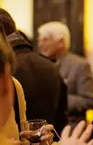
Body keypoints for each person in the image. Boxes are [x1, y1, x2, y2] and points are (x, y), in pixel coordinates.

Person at [0, 8, 68, 137]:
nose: (41, 43)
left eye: (45, 39)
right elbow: (62, 120)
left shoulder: (13, 82)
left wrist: (28, 143)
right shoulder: (50, 67)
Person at [37, 21, 93, 128]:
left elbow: (89, 100)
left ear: (60, 42)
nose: (40, 44)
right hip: (44, 129)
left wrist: (58, 100)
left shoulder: (80, 65)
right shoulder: (37, 65)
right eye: (39, 40)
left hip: (71, 129)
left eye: (45, 39)